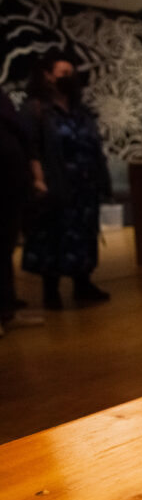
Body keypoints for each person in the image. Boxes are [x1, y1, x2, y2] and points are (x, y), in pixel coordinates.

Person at [19, 50, 111, 310]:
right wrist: (38, 180)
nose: (69, 78)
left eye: (71, 73)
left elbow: (94, 145)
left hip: (85, 184)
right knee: (53, 234)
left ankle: (83, 282)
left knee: (84, 232)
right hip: (56, 184)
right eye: (63, 73)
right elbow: (31, 148)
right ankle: (51, 289)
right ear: (48, 76)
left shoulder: (81, 112)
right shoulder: (37, 110)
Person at [0, 88, 33, 328]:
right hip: (10, 178)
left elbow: (22, 134)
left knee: (5, 244)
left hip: (11, 180)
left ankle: (6, 302)